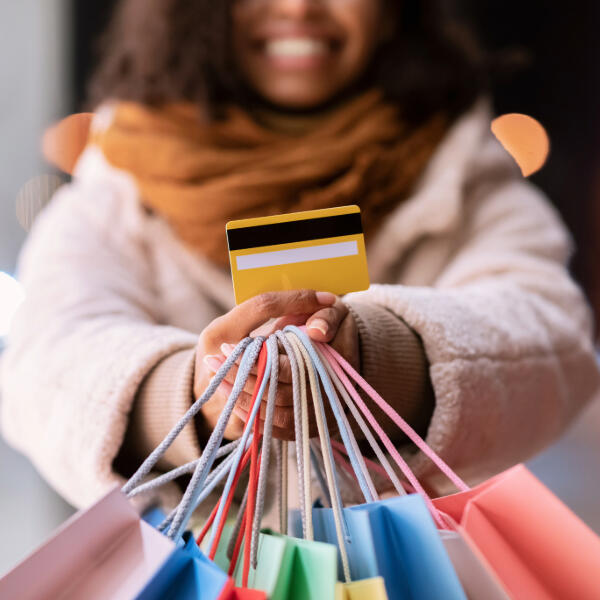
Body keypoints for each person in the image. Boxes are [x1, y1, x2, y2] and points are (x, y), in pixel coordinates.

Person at [1, 0, 598, 513]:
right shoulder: (122, 176)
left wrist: (374, 360)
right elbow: (45, 361)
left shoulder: (463, 169)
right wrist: (202, 396)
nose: (298, 7)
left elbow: (553, 338)